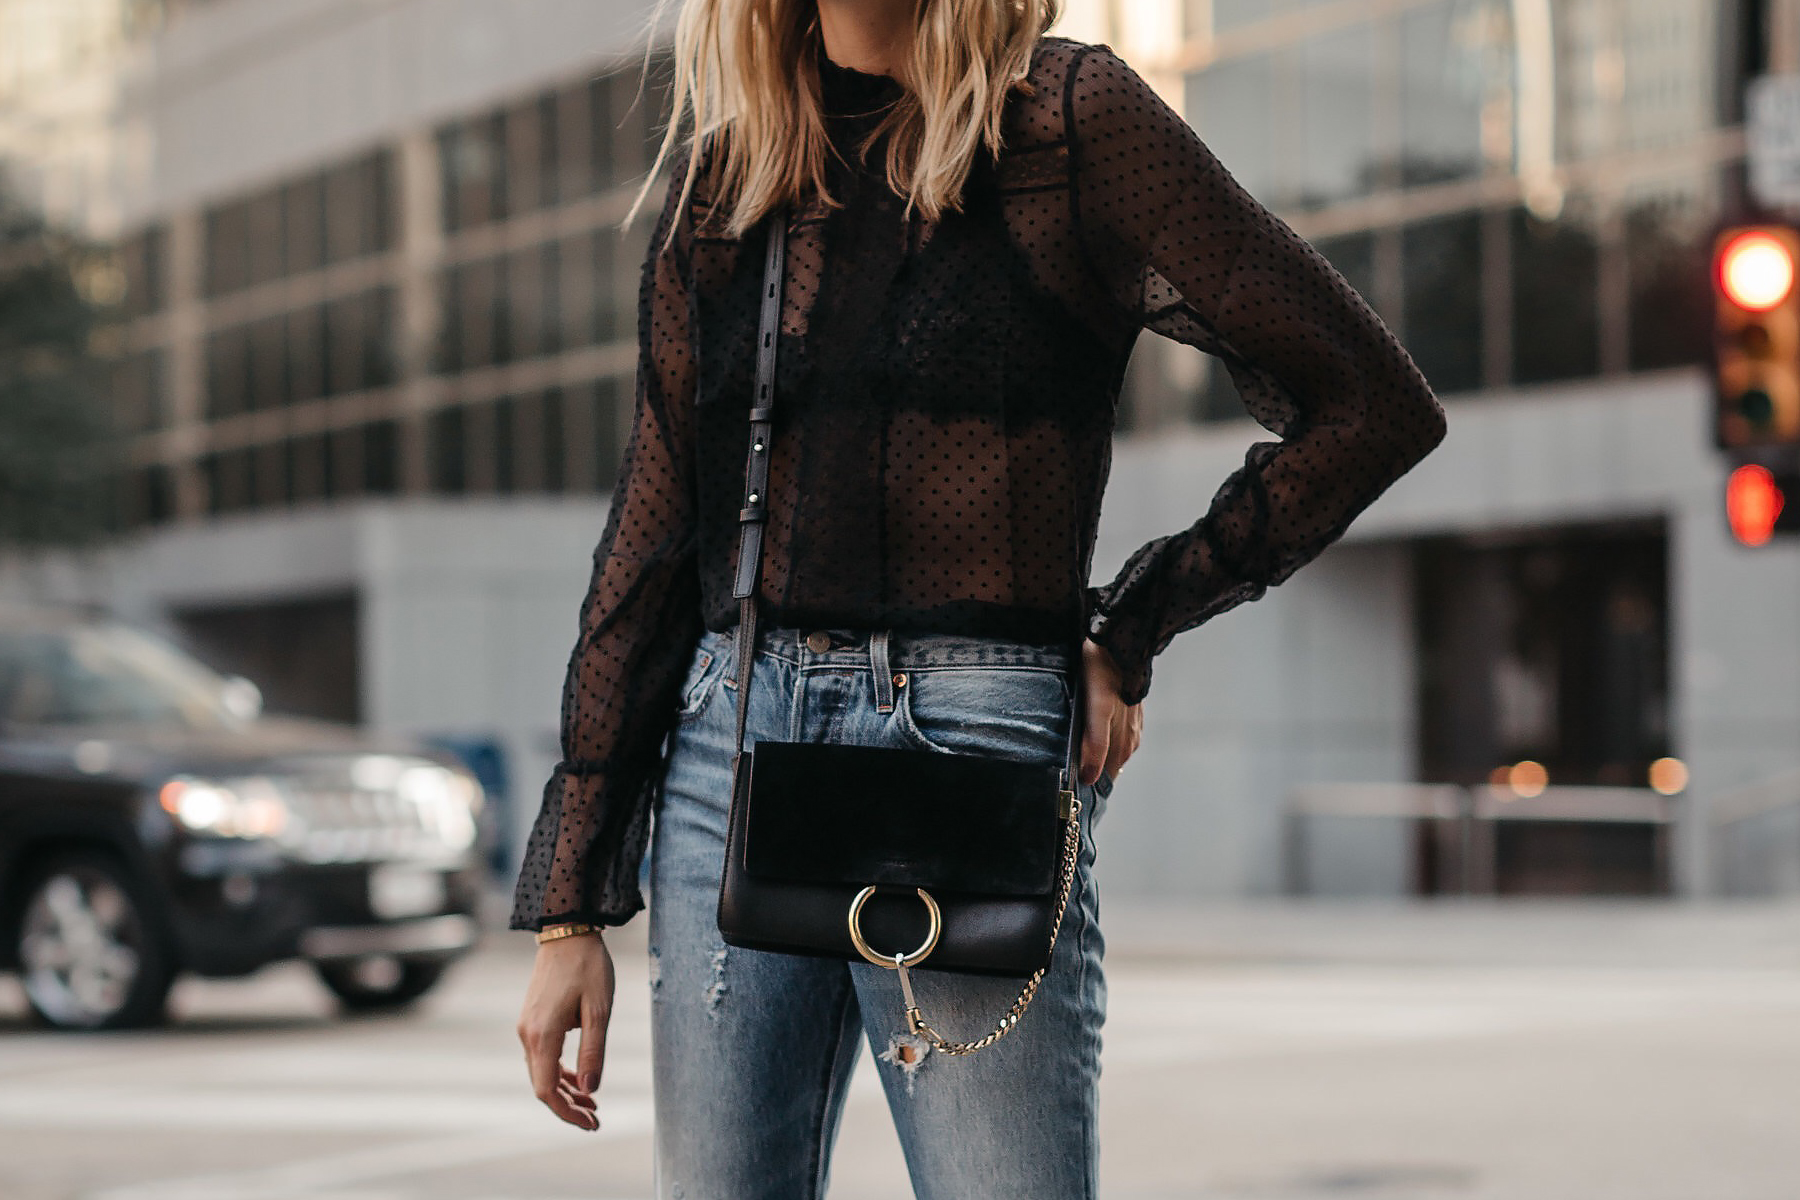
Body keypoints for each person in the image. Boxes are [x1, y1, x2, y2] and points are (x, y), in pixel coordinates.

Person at [511, 0, 1448, 1195]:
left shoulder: (1065, 120)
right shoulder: (729, 174)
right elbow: (652, 538)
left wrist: (1136, 620)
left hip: (970, 740)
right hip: (730, 745)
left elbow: (1370, 402)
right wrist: (568, 912)